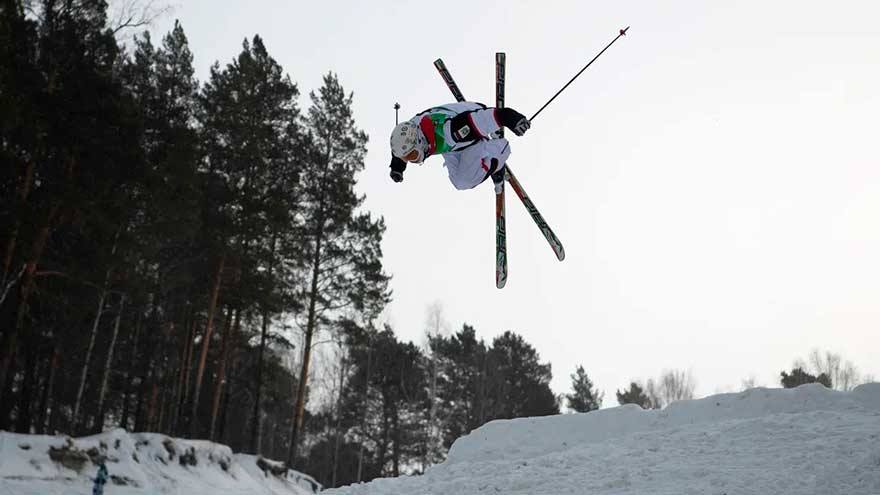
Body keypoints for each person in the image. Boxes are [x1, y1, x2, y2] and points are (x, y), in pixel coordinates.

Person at [388, 102, 530, 192]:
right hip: (448, 147)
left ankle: (496, 152)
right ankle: (483, 158)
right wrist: (397, 167)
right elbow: (400, 149)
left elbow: (487, 118)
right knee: (459, 183)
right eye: (408, 157)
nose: (413, 160)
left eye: (412, 156)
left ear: (419, 142)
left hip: (471, 126)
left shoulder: (451, 131)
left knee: (465, 180)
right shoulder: (412, 128)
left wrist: (511, 119)